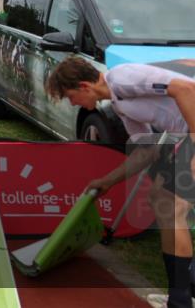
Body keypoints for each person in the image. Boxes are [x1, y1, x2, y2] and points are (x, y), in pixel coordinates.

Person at [45, 57, 195, 308]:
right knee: (160, 200)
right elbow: (146, 150)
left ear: (84, 86)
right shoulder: (118, 103)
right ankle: (180, 296)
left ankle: (181, 301)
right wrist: (107, 181)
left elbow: (186, 88)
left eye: (71, 96)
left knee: (173, 206)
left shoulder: (122, 78)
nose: (72, 103)